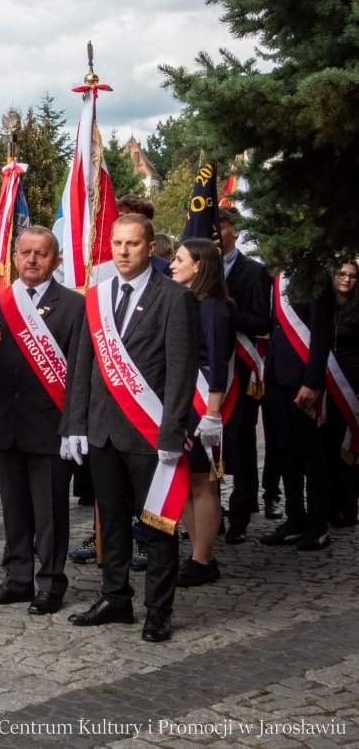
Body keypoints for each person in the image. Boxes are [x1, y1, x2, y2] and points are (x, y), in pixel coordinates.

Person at [63, 213, 199, 643]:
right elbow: (83, 364)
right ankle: (115, 597)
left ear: (151, 247)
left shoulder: (175, 298)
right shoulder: (97, 297)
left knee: (157, 525)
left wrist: (173, 433)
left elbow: (181, 372)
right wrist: (75, 424)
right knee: (113, 521)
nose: (122, 252)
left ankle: (158, 609)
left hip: (150, 432)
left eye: (132, 244)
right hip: (102, 430)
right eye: (117, 244)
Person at [0, 227, 84, 614]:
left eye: (41, 254)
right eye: (24, 252)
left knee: (51, 512)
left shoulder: (74, 306)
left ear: (56, 261)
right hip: (5, 422)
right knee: (14, 508)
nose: (31, 260)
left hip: (51, 426)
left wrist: (73, 425)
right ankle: (17, 578)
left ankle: (51, 583)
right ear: (13, 257)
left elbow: (77, 372)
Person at [169, 238, 235, 586]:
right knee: (186, 481)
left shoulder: (213, 308)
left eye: (179, 260)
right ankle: (196, 553)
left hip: (203, 405)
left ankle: (204, 558)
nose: (172, 265)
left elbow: (218, 363)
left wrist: (212, 413)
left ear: (199, 266)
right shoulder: (187, 302)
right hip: (183, 403)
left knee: (203, 483)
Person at [260, 268, 334, 550]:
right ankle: (295, 519)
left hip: (303, 379)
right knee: (284, 451)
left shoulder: (315, 276)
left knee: (309, 453)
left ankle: (317, 524)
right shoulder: (277, 277)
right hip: (277, 376)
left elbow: (321, 332)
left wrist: (313, 380)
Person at [218, 208, 274, 542]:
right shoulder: (198, 268)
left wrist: (227, 313)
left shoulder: (253, 272)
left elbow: (262, 322)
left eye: (220, 226)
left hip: (241, 369)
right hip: (208, 368)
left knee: (240, 441)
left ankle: (240, 512)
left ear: (235, 232)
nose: (215, 232)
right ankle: (212, 514)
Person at [326, 260, 359, 527]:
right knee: (327, 447)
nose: (347, 279)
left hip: (352, 384)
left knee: (349, 449)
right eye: (342, 274)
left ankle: (348, 508)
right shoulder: (325, 307)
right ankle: (330, 503)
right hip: (326, 386)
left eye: (352, 276)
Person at [115, 195, 171, 277]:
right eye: (121, 217)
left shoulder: (162, 268)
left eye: (133, 220)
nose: (124, 224)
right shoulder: (97, 260)